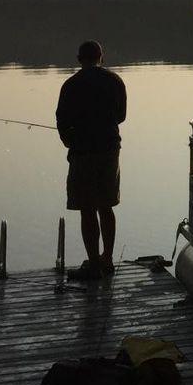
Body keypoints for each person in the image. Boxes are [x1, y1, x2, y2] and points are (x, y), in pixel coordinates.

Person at [56, 39, 126, 281]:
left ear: (79, 59)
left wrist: (69, 140)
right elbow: (121, 116)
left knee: (87, 208)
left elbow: (62, 121)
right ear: (101, 57)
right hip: (109, 150)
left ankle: (94, 263)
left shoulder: (71, 84)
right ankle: (107, 258)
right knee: (106, 206)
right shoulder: (115, 81)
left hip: (82, 153)